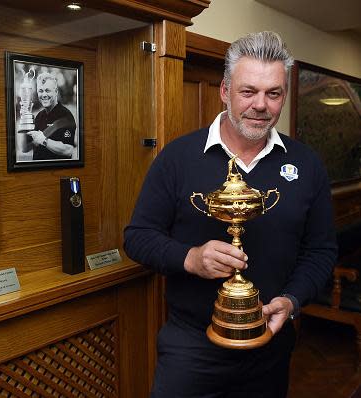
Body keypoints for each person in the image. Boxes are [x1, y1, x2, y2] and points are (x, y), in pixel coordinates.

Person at [124, 31, 337, 398]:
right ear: (225, 91)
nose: (261, 105)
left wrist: (292, 300)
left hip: (270, 342)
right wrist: (190, 258)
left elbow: (321, 251)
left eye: (273, 93)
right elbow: (138, 236)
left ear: (283, 95)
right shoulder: (178, 157)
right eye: (248, 91)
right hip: (191, 347)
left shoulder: (307, 163)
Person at [21, 72, 77, 160]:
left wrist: (44, 140)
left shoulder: (66, 116)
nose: (44, 95)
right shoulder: (39, 116)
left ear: (56, 92)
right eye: (40, 91)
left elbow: (68, 150)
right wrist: (24, 126)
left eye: (47, 90)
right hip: (37, 171)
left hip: (56, 171)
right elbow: (25, 149)